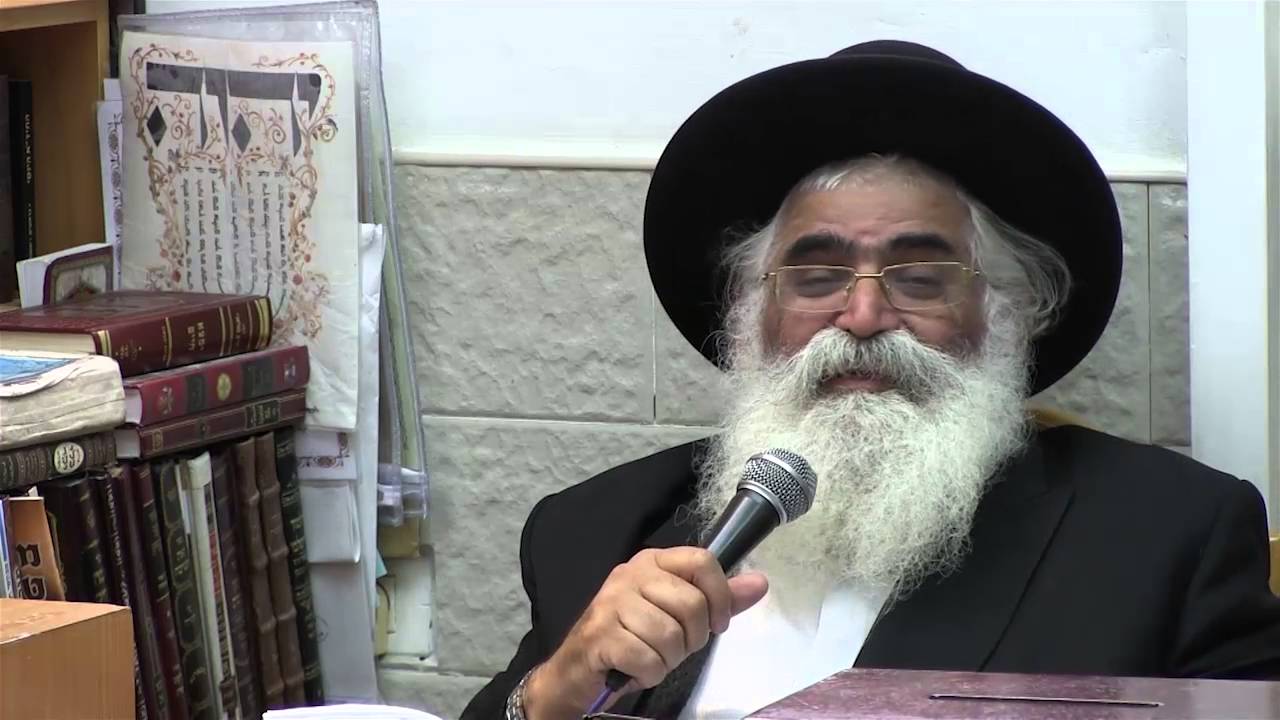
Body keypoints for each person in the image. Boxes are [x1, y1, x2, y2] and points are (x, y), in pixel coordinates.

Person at [462, 41, 1280, 720]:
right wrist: (552, 697)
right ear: (753, 315)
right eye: (816, 278)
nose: (861, 315)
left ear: (1004, 316)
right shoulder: (593, 528)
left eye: (920, 278)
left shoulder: (1169, 540)